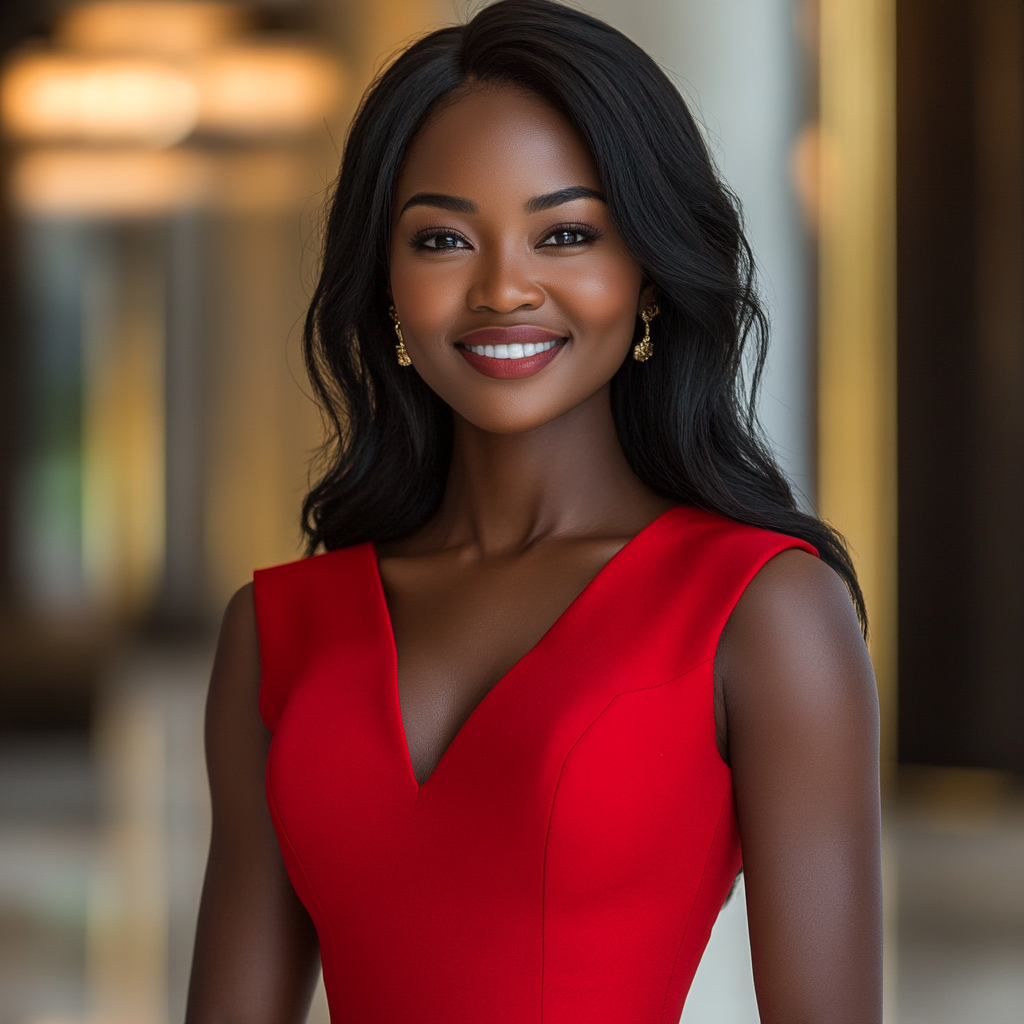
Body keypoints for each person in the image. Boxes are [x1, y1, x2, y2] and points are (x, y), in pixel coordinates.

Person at [184, 2, 882, 1021]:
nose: (504, 288)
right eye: (441, 239)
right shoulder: (277, 632)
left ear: (646, 273)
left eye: (564, 233)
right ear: (384, 286)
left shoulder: (761, 611)